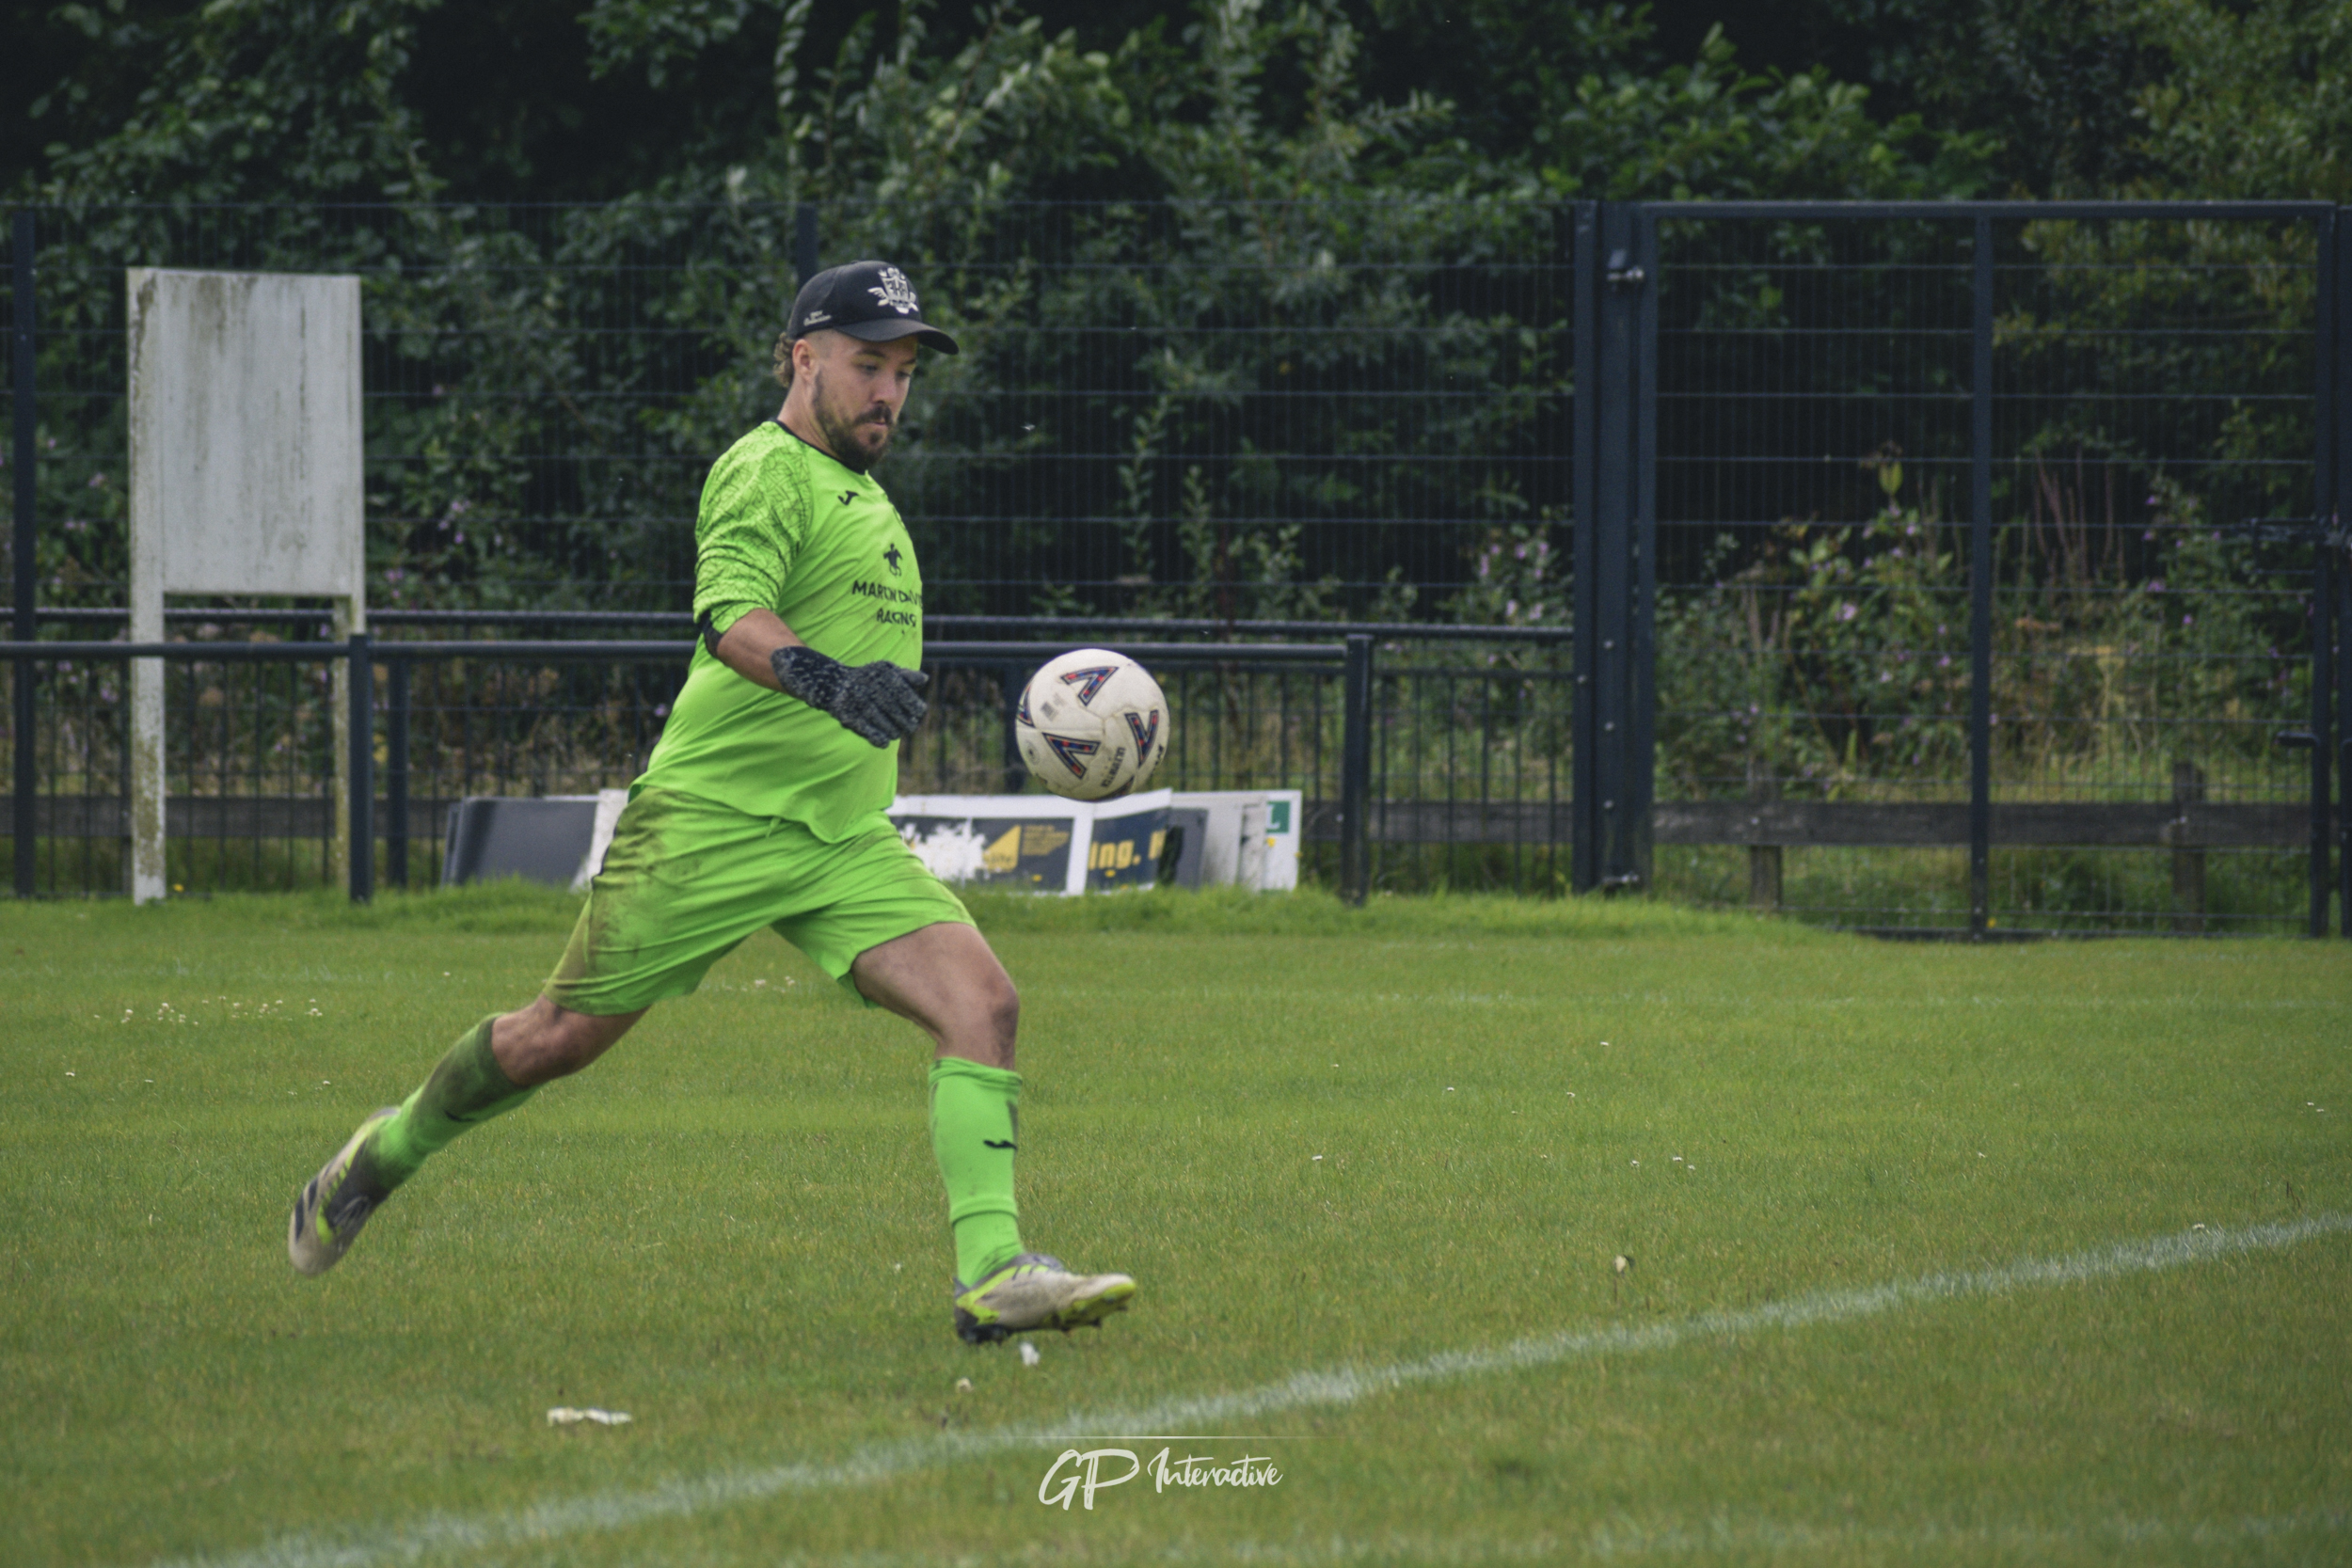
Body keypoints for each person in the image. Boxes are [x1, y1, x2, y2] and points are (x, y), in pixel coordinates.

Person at [288, 260, 1136, 1346]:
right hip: (708, 823)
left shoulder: (865, 497)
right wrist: (832, 680)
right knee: (555, 1038)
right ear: (804, 359)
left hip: (837, 841)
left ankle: (993, 1273)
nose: (889, 392)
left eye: (904, 372)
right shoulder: (763, 470)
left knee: (985, 1005)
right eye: (868, 364)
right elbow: (729, 613)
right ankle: (378, 1156)